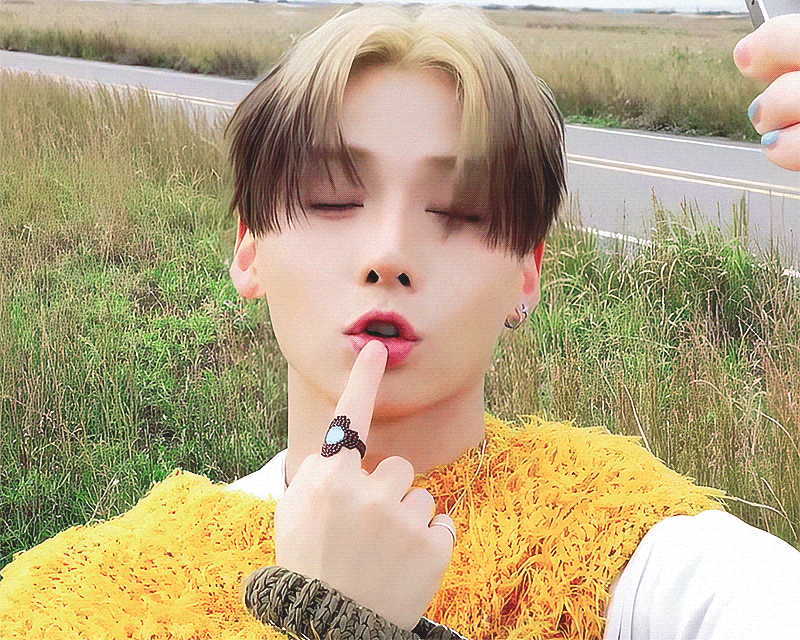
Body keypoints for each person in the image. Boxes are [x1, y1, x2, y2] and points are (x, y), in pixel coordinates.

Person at [1, 6, 799, 640]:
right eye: (332, 199)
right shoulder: (87, 590)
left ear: (527, 273)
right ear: (249, 248)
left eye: (459, 210)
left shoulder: (629, 550)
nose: (389, 254)